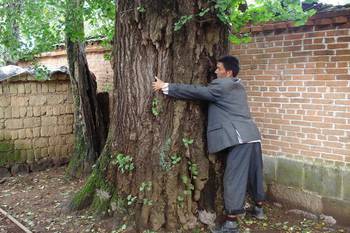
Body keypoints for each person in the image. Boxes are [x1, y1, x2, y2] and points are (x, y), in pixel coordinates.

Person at [152, 56, 265, 233]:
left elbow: (197, 91)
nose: (215, 71)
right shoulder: (238, 85)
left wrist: (166, 86)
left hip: (239, 138)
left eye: (219, 69)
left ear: (228, 73)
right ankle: (258, 208)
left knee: (233, 178)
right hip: (252, 135)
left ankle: (231, 223)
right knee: (255, 173)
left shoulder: (223, 85)